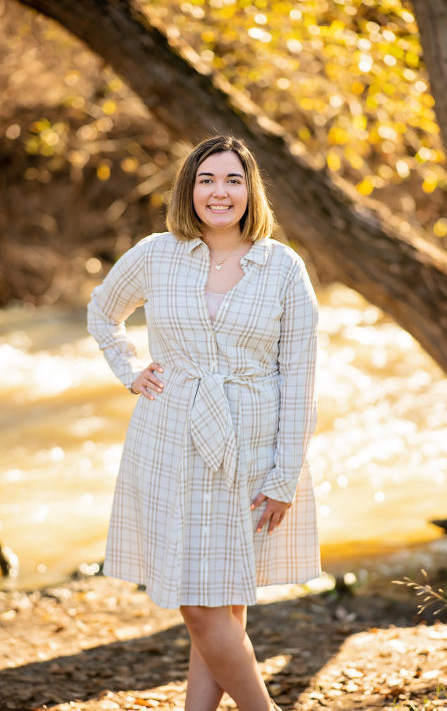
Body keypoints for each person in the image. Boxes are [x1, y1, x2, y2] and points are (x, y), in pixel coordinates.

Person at [87, 135, 320, 711]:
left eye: (233, 181)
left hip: (253, 443)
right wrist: (131, 369)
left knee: (219, 603)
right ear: (189, 189)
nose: (220, 192)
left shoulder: (283, 268)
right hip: (170, 441)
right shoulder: (156, 253)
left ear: (251, 190)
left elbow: (300, 381)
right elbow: (102, 311)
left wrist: (283, 476)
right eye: (207, 180)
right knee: (202, 604)